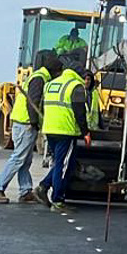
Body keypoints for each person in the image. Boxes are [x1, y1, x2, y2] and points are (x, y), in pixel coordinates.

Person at [0, 52, 54, 203]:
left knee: (25, 160)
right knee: (19, 158)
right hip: (25, 124)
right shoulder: (40, 79)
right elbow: (33, 102)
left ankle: (25, 191)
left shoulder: (38, 76)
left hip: (22, 122)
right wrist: (34, 122)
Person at [36, 59, 91, 211]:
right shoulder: (76, 86)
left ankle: (44, 186)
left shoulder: (51, 84)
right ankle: (57, 200)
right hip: (66, 131)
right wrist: (85, 132)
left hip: (50, 129)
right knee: (63, 166)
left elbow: (43, 106)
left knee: (63, 162)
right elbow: (79, 112)